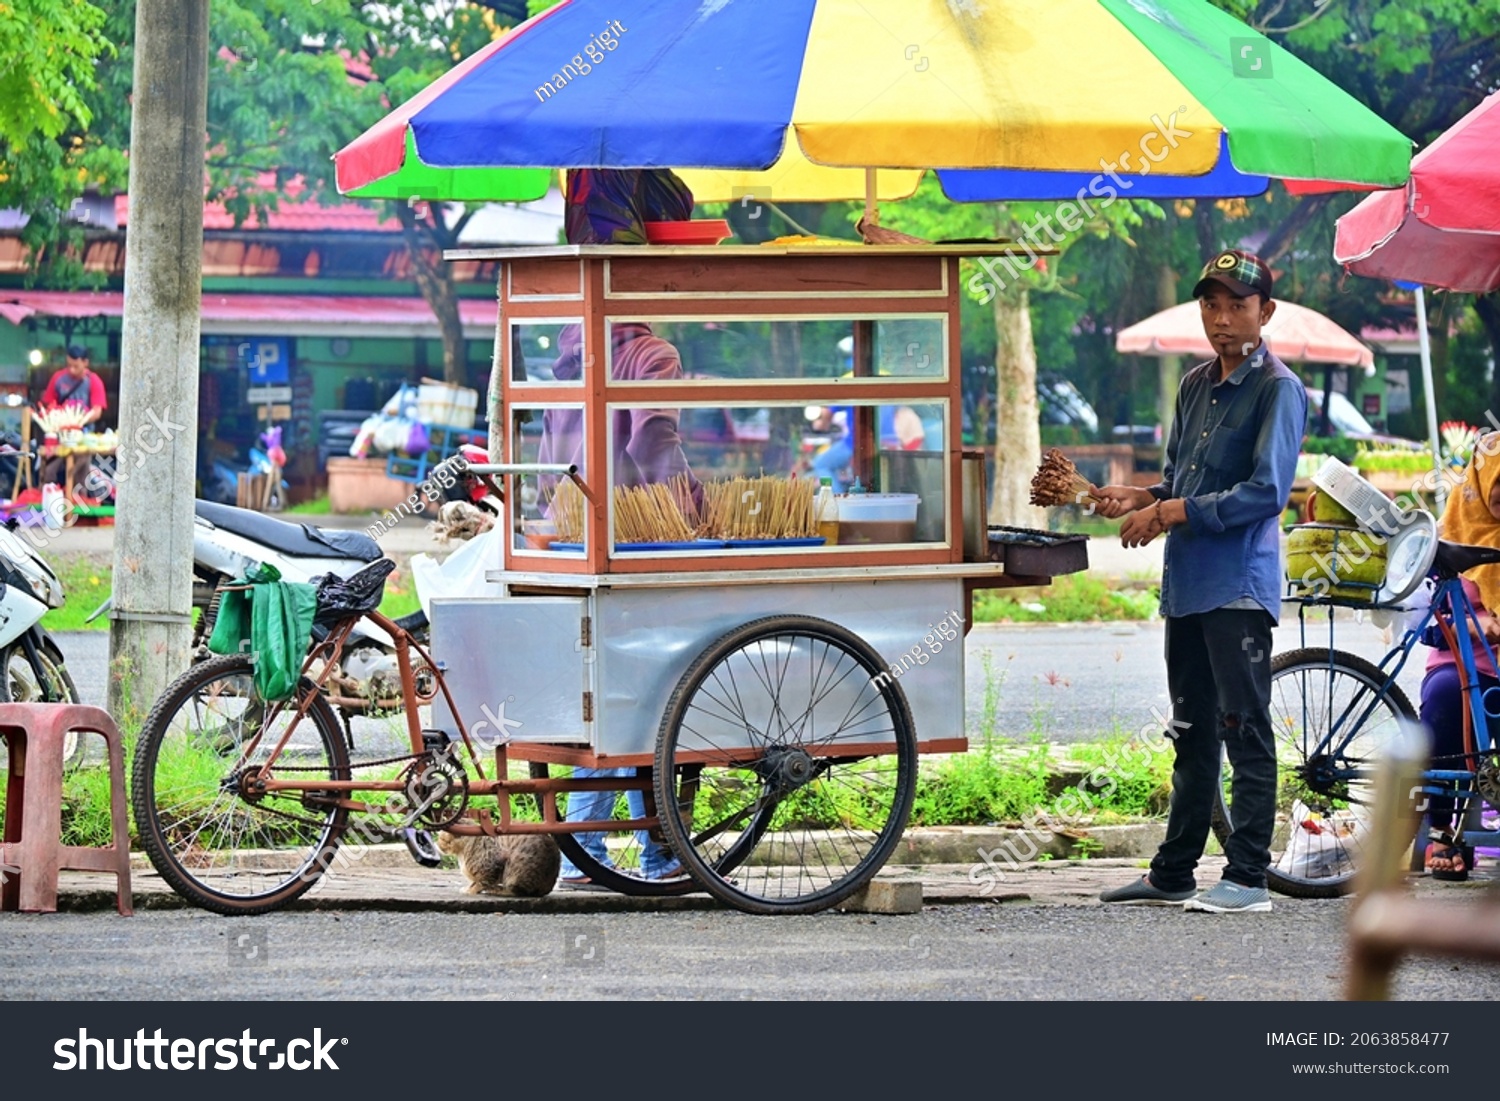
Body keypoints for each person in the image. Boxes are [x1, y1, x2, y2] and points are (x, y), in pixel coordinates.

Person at [1093, 249, 1306, 913]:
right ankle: (1174, 870)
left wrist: (1170, 510)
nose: (1221, 318)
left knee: (1244, 728)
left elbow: (1266, 493)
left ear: (1265, 312)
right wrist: (1139, 496)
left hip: (1238, 587)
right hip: (1187, 582)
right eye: (1211, 303)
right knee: (1192, 728)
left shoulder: (1279, 388)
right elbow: (1181, 482)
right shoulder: (1192, 386)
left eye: (1237, 304)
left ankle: (1247, 877)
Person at [540, 168, 696, 888]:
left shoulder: (570, 344)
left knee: (610, 696)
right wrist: (692, 505)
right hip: (633, 545)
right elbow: (653, 450)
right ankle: (641, 849)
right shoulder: (650, 353)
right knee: (651, 695)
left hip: (567, 537)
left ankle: (603, 848)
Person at [1414, 436, 1500, 880]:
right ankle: (1443, 830)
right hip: (1461, 665)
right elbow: (1428, 617)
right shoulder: (1454, 534)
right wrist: (1477, 626)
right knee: (1447, 699)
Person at [38, 343, 107, 490]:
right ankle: (49, 499)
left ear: (85, 363)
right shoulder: (58, 378)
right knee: (50, 471)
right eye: (68, 365)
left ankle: (79, 506)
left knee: (80, 475)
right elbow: (49, 406)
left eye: (75, 366)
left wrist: (77, 422)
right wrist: (58, 420)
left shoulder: (93, 381)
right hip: (59, 437)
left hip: (83, 436)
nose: (71, 369)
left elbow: (97, 411)